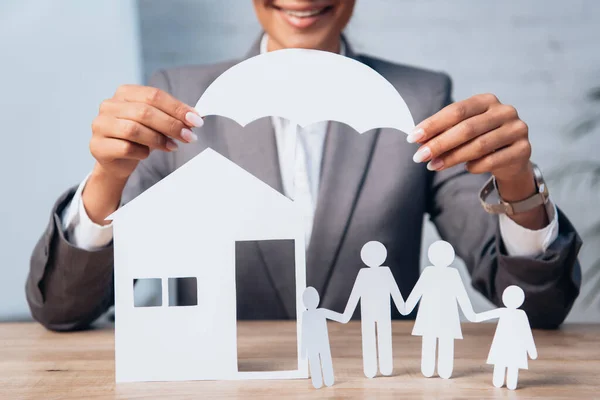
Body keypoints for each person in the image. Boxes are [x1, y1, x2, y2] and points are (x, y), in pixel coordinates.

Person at [27, 0, 581, 332]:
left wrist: (517, 184)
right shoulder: (183, 99)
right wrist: (108, 177)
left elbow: (537, 307)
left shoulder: (418, 98)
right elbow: (62, 310)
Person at [404, 240, 476, 379]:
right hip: (436, 316)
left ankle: (438, 370)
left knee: (439, 342)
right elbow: (417, 293)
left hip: (440, 316)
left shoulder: (442, 273)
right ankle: (433, 369)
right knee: (437, 342)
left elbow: (460, 295)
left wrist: (405, 307)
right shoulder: (436, 273)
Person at [341, 241, 405, 378]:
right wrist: (403, 307)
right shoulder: (365, 273)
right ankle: (374, 368)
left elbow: (394, 291)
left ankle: (384, 367)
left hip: (381, 313)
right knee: (374, 339)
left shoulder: (383, 273)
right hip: (370, 313)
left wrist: (403, 307)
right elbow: (355, 295)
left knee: (381, 338)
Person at [476, 285, 538, 390]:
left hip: (514, 347)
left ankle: (509, 383)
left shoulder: (520, 314)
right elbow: (484, 316)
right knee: (502, 363)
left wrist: (532, 351)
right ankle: (500, 382)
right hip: (503, 345)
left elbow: (527, 333)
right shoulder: (507, 312)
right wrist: (474, 317)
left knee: (511, 365)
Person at [300, 287, 344, 389]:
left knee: (325, 361)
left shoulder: (319, 312)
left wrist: (345, 317)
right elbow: (304, 332)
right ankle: (318, 382)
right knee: (316, 362)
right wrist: (303, 350)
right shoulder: (306, 315)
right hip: (315, 345)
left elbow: (338, 317)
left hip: (321, 344)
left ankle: (327, 380)